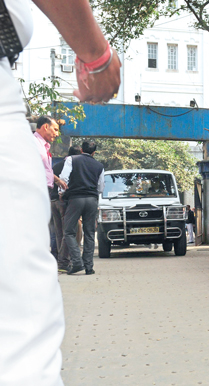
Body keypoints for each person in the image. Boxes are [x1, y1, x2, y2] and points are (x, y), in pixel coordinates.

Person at [0, 0, 121, 383]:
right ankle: (82, 264)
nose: (55, 131)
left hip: (69, 197)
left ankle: (72, 263)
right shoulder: (95, 165)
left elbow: (62, 175)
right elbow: (91, 183)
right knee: (21, 312)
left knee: (66, 232)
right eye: (52, 127)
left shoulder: (68, 158)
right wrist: (96, 56)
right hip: (88, 198)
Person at [60, 141, 105, 275]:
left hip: (75, 199)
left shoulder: (71, 160)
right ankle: (89, 267)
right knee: (90, 233)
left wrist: (62, 193)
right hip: (92, 200)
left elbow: (63, 178)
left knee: (68, 231)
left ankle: (77, 262)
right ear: (94, 153)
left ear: (81, 150)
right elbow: (101, 187)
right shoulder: (99, 166)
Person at [51, 145, 83, 272]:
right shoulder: (73, 166)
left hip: (52, 201)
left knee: (59, 233)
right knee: (69, 232)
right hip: (63, 201)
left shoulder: (56, 166)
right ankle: (64, 262)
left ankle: (61, 260)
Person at [33, 115, 66, 194]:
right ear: (46, 127)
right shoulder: (32, 143)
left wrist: (57, 180)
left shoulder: (43, 146)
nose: (57, 134)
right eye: (55, 130)